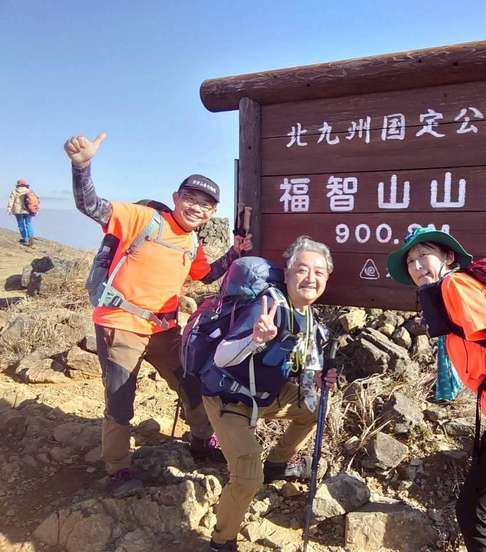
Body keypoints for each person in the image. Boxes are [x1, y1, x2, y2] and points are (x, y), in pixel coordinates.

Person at [63, 132, 253, 494]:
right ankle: (118, 467)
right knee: (121, 397)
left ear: (212, 212)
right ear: (175, 198)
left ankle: (202, 439)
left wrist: (234, 253)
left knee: (190, 384)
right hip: (120, 324)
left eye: (206, 204)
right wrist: (82, 166)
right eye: (190, 199)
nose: (196, 208)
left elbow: (204, 275)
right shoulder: (144, 218)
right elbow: (91, 206)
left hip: (164, 330)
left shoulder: (192, 240)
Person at [387, 227, 486, 552]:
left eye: (424, 255)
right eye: (411, 261)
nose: (417, 266)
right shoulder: (442, 295)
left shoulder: (455, 285)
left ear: (448, 256)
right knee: (473, 508)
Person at [202, 236, 337, 552]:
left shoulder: (310, 318)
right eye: (302, 270)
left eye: (319, 272)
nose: (311, 278)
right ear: (287, 274)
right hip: (230, 397)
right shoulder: (268, 306)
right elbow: (222, 357)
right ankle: (221, 541)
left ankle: (277, 463)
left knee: (316, 408)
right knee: (248, 477)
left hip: (266, 392)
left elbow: (306, 375)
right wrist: (256, 339)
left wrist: (319, 380)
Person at [6, 178, 35, 246]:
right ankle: (31, 238)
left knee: (21, 224)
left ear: (18, 184)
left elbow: (11, 201)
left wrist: (9, 209)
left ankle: (25, 239)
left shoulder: (15, 191)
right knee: (28, 223)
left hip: (18, 211)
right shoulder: (29, 191)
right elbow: (34, 200)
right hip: (28, 210)